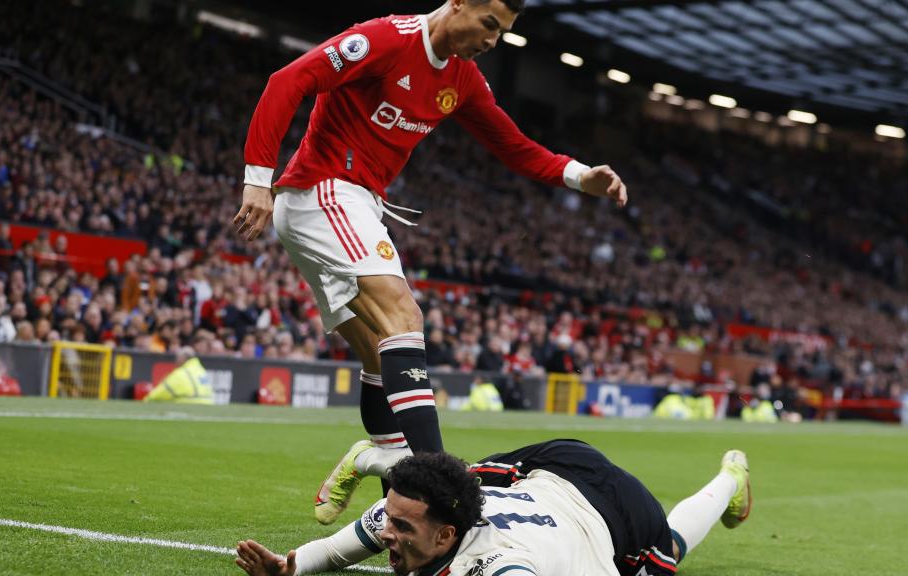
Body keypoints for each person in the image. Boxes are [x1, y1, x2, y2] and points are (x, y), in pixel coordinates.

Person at [233, 0, 628, 524]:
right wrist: (257, 178)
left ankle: (381, 470)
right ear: (458, 4)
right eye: (489, 24)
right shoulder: (384, 40)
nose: (493, 40)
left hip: (349, 202)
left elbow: (515, 147)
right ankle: (446, 491)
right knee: (405, 318)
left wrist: (581, 176)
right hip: (323, 190)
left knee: (378, 351)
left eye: (503, 33)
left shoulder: (463, 79)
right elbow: (287, 80)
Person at [234, 439, 751, 575]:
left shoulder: (499, 564)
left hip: (618, 516)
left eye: (398, 527)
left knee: (671, 551)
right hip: (552, 466)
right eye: (388, 520)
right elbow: (332, 551)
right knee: (444, 477)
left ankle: (730, 478)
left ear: (446, 539)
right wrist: (290, 567)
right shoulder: (412, 515)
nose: (386, 534)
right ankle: (374, 458)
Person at [142, 346, 214, 404]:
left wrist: (147, 400)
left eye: (177, 357)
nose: (175, 361)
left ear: (183, 358)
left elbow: (161, 391)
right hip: (208, 405)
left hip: (189, 404)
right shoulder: (201, 371)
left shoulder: (181, 373)